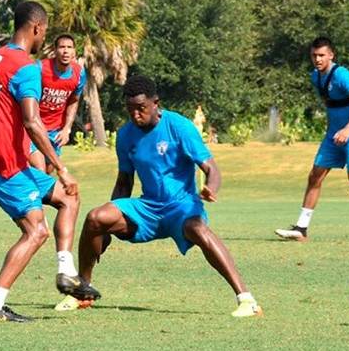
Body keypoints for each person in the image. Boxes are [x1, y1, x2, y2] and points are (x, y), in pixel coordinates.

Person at [67, 75, 262, 317]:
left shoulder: (178, 126)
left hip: (182, 207)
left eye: (141, 109)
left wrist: (211, 187)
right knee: (96, 217)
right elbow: (124, 181)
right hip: (148, 209)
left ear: (155, 103)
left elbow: (211, 168)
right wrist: (107, 223)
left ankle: (247, 300)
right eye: (130, 110)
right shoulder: (126, 135)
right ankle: (83, 291)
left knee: (199, 229)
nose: (136, 115)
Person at [0, 1, 84, 322]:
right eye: (45, 32)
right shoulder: (26, 67)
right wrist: (61, 167)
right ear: (37, 29)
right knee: (36, 231)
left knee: (67, 197)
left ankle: (66, 272)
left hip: (0, 161)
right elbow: (33, 121)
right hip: (4, 167)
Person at [275, 37, 349, 245]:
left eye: (321, 55)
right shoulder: (315, 77)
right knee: (314, 176)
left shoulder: (342, 75)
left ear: (330, 55)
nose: (317, 59)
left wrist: (347, 129)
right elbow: (331, 106)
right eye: (313, 56)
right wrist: (333, 131)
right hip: (334, 134)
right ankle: (301, 228)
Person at [29, 34, 87, 174]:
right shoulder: (40, 68)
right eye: (62, 47)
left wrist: (67, 128)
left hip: (55, 131)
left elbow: (74, 101)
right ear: (55, 50)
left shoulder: (79, 74)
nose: (65, 51)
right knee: (40, 170)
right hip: (34, 128)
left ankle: (35, 196)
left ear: (74, 51)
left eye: (69, 47)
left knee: (48, 173)